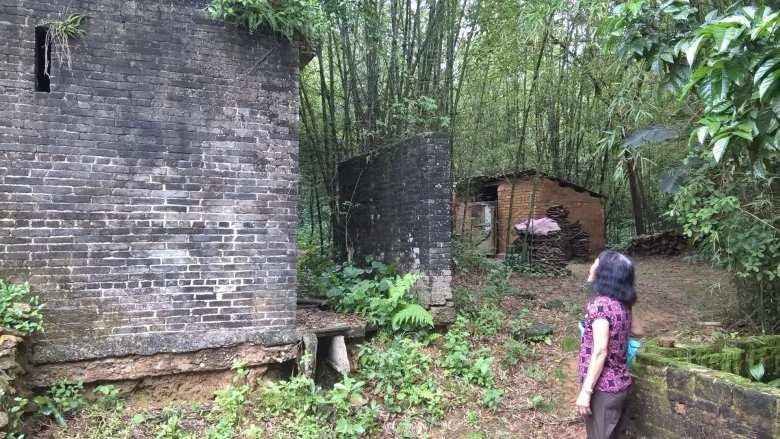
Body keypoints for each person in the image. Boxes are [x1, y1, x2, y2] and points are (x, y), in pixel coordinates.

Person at [576, 250, 642, 439]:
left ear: (605, 272)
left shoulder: (601, 305)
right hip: (620, 386)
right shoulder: (622, 304)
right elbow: (638, 330)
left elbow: (600, 351)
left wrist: (586, 392)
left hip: (602, 390)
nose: (592, 266)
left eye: (596, 262)